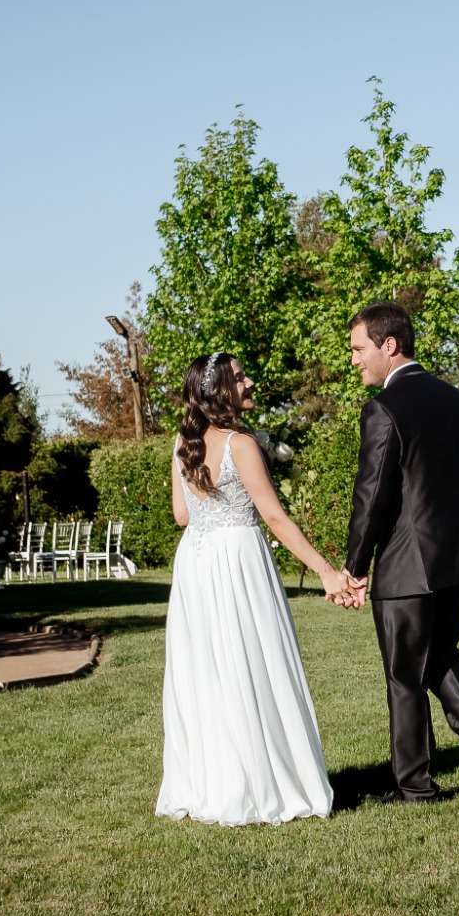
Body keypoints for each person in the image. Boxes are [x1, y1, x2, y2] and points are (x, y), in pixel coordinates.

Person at [156, 351, 361, 825]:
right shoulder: (241, 444)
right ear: (219, 390)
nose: (249, 382)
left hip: (196, 564)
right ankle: (264, 783)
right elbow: (274, 516)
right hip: (239, 559)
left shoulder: (182, 443)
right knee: (252, 659)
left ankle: (214, 784)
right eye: (240, 377)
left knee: (209, 669)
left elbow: (182, 516)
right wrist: (326, 571)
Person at [345, 301, 459, 803]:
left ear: (388, 345)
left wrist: (354, 567)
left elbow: (372, 498)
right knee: (438, 657)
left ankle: (414, 787)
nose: (354, 360)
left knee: (404, 675)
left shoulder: (383, 409)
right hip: (458, 560)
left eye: (359, 349)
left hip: (407, 567)